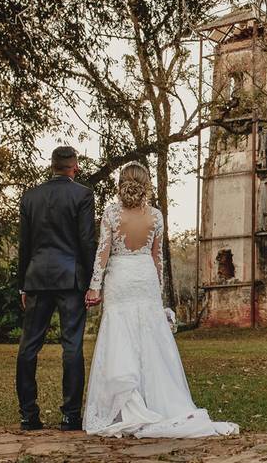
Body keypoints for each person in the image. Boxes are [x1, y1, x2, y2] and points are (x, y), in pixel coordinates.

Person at [82, 162, 239, 438]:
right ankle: (156, 401)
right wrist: (159, 293)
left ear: (123, 183)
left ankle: (125, 405)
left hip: (120, 278)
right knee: (150, 340)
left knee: (120, 335)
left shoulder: (111, 214)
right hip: (144, 279)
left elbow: (102, 253)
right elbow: (158, 259)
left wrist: (95, 286)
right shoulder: (156, 216)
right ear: (147, 184)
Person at [16, 146, 96, 431]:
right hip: (70, 279)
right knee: (72, 345)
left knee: (29, 346)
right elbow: (87, 241)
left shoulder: (30, 197)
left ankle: (28, 415)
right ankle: (70, 415)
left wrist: (22, 286)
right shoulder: (83, 195)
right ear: (74, 167)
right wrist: (92, 281)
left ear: (52, 166)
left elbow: (24, 246)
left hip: (36, 278)